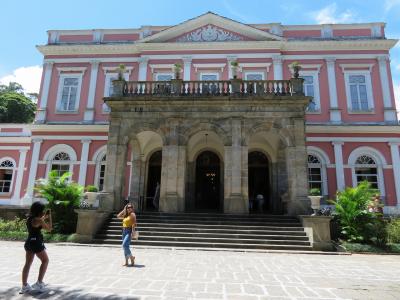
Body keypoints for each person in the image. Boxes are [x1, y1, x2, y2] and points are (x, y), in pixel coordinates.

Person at [20, 201, 52, 294]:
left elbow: (36, 223)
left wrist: (43, 217)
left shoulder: (30, 218)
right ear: (39, 211)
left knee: (28, 263)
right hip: (36, 242)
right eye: (42, 210)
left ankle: (24, 286)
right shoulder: (39, 220)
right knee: (45, 260)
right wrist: (49, 217)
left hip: (29, 241)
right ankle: (39, 283)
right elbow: (49, 228)